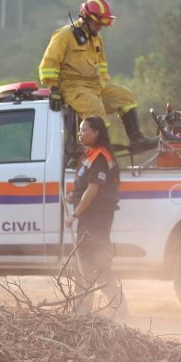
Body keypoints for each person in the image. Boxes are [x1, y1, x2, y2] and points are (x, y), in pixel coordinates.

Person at [39, 0, 157, 152]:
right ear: (85, 19)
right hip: (73, 88)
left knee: (125, 96)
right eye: (97, 23)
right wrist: (54, 88)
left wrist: (102, 85)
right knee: (95, 110)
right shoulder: (64, 35)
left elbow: (102, 66)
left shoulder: (96, 39)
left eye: (102, 24)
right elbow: (49, 63)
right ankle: (103, 149)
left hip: (95, 87)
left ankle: (137, 139)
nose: (99, 27)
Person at [65, 116, 128, 318]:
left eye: (84, 130)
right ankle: (82, 311)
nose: (80, 134)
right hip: (90, 219)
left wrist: (74, 214)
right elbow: (85, 187)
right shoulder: (90, 155)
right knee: (86, 264)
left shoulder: (100, 157)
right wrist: (74, 196)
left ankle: (117, 310)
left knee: (96, 266)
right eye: (80, 130)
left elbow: (92, 191)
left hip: (96, 220)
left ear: (96, 132)